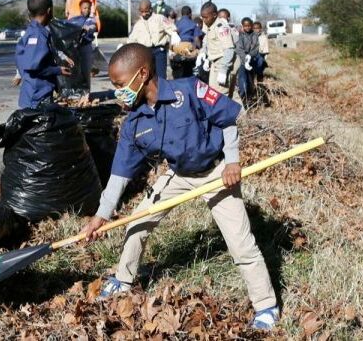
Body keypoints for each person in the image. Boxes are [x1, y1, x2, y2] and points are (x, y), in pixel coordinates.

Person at [80, 43, 280, 331]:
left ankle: (266, 307)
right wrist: (101, 215)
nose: (117, 92)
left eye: (120, 84)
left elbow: (227, 120)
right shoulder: (134, 121)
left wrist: (233, 163)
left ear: (143, 74)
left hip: (215, 173)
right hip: (179, 175)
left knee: (241, 245)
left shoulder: (188, 91)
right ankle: (122, 280)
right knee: (138, 222)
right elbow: (119, 174)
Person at [15, 0, 72, 108]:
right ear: (49, 11)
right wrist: (57, 70)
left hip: (31, 92)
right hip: (37, 96)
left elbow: (23, 60)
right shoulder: (38, 35)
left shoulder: (31, 31)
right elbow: (33, 67)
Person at [128, 0, 180, 80]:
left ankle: (162, 91)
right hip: (145, 53)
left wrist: (174, 33)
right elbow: (132, 40)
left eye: (146, 11)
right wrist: (125, 47)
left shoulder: (160, 18)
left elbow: (171, 27)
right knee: (148, 77)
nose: (144, 14)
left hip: (159, 51)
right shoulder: (138, 25)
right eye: (142, 12)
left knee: (161, 77)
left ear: (151, 9)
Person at [197, 0, 236, 97]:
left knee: (220, 95)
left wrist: (223, 69)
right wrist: (203, 53)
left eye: (206, 17)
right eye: (202, 17)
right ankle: (241, 112)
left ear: (214, 15)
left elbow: (229, 49)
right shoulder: (210, 26)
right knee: (225, 93)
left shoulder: (221, 27)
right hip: (214, 62)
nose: (204, 20)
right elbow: (207, 41)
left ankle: (234, 112)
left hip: (224, 62)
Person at [68, 0, 98, 89]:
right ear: (80, 9)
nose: (87, 10)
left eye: (88, 8)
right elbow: (67, 26)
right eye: (84, 8)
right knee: (75, 71)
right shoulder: (75, 20)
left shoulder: (91, 20)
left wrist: (88, 28)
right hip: (75, 48)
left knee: (86, 70)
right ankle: (77, 92)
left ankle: (86, 93)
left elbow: (93, 27)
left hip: (86, 47)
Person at [235, 17, 261, 108]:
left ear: (252, 25)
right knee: (242, 80)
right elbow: (239, 48)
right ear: (243, 26)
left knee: (250, 81)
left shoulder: (255, 35)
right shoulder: (240, 35)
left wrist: (250, 55)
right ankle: (242, 99)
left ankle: (250, 99)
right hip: (242, 61)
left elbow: (255, 48)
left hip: (252, 61)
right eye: (245, 26)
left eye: (249, 25)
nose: (247, 27)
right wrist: (245, 58)